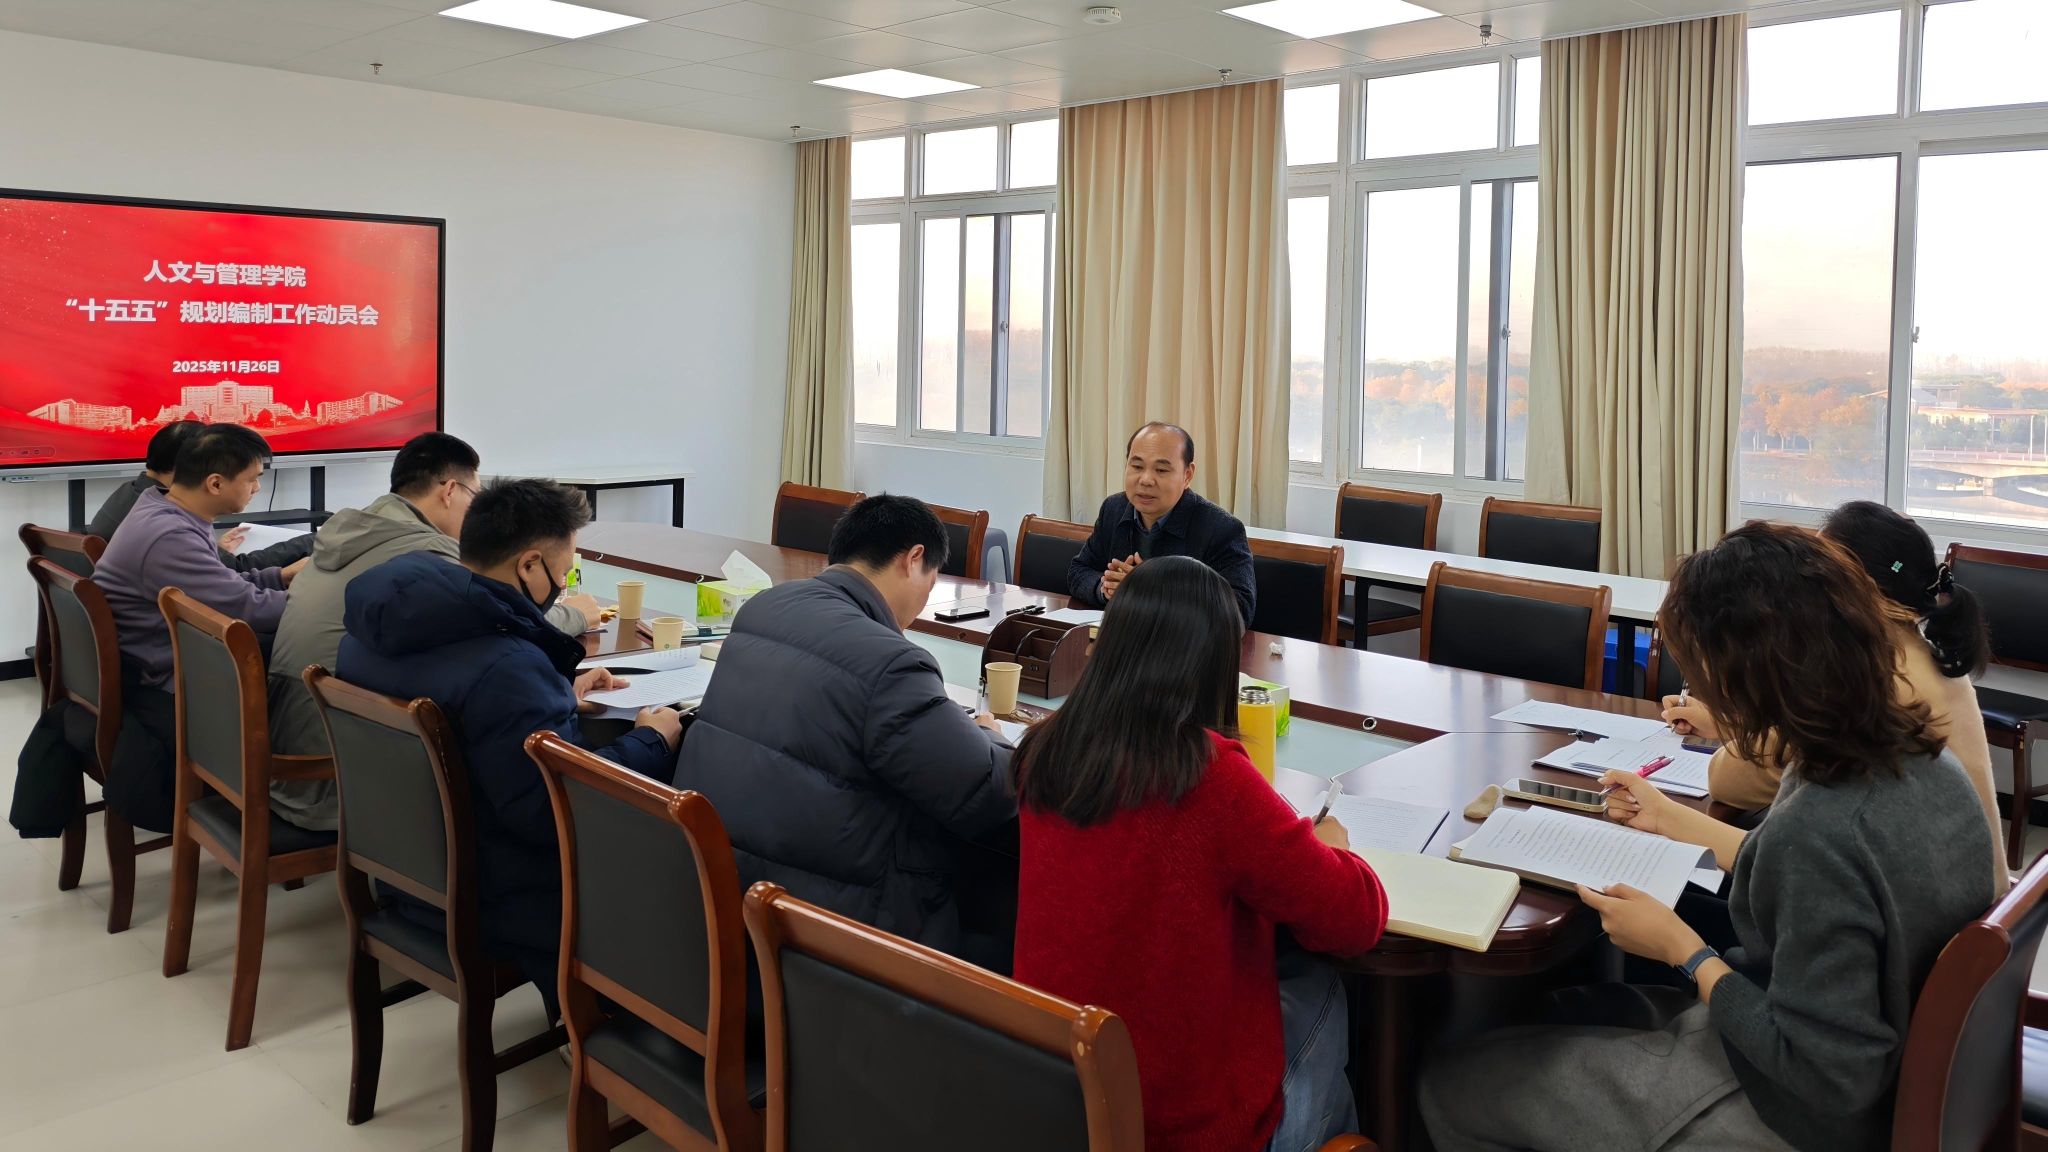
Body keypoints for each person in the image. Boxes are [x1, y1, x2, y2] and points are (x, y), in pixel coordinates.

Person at [1421, 523, 1998, 1152]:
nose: (1699, 698)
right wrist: (1671, 821)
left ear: (1746, 681)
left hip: (1798, 1111)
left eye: (1703, 680)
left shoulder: (1819, 827)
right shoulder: (1916, 759)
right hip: (1885, 1065)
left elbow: (1830, 1078)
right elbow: (1828, 890)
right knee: (1541, 1016)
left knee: (1447, 1084)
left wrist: (1684, 950)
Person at [1014, 555, 1386, 1152]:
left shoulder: (1045, 750)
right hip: (1184, 1126)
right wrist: (1336, 850)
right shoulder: (1210, 776)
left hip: (1065, 1094)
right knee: (1322, 985)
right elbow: (1354, 920)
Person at [336, 479, 681, 1007]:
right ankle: (613, 1021)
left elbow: (468, 712)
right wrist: (651, 740)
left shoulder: (370, 634)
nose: (562, 587)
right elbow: (554, 811)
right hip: (499, 897)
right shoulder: (508, 667)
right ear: (529, 565)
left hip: (405, 875)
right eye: (563, 575)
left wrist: (555, 696)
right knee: (679, 856)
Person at [677, 494, 1015, 963]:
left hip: (723, 899)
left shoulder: (763, 608)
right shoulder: (892, 663)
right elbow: (984, 790)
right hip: (832, 938)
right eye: (932, 579)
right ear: (913, 558)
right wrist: (990, 733)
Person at [265, 433, 599, 832]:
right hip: (341, 781)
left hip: (310, 745)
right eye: (475, 494)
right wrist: (577, 616)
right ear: (450, 490)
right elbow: (500, 617)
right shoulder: (425, 555)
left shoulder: (354, 527)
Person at [1669, 502, 2003, 889]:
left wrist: (1663, 813)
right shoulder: (1919, 651)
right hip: (1971, 891)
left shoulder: (1868, 678)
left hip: (1930, 908)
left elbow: (1729, 782)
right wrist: (1725, 724)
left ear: (1851, 584)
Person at [91, 423, 308, 831]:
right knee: (303, 653)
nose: (257, 488)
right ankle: (292, 784)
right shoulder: (168, 534)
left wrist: (280, 576)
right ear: (215, 483)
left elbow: (223, 587)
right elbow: (246, 608)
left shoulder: (163, 508)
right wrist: (320, 601)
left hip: (159, 653)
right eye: (252, 479)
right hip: (164, 675)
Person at [1068, 421, 1257, 625]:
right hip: (1122, 637)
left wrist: (1156, 594)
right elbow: (1078, 570)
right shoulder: (1114, 509)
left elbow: (1238, 612)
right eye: (1137, 466)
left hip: (1181, 643)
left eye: (1161, 470)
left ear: (1187, 475)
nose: (1146, 480)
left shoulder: (1222, 528)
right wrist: (1106, 588)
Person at [89, 420, 312, 571]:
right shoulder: (168, 522)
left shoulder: (134, 493)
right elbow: (235, 574)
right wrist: (313, 542)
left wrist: (211, 549)